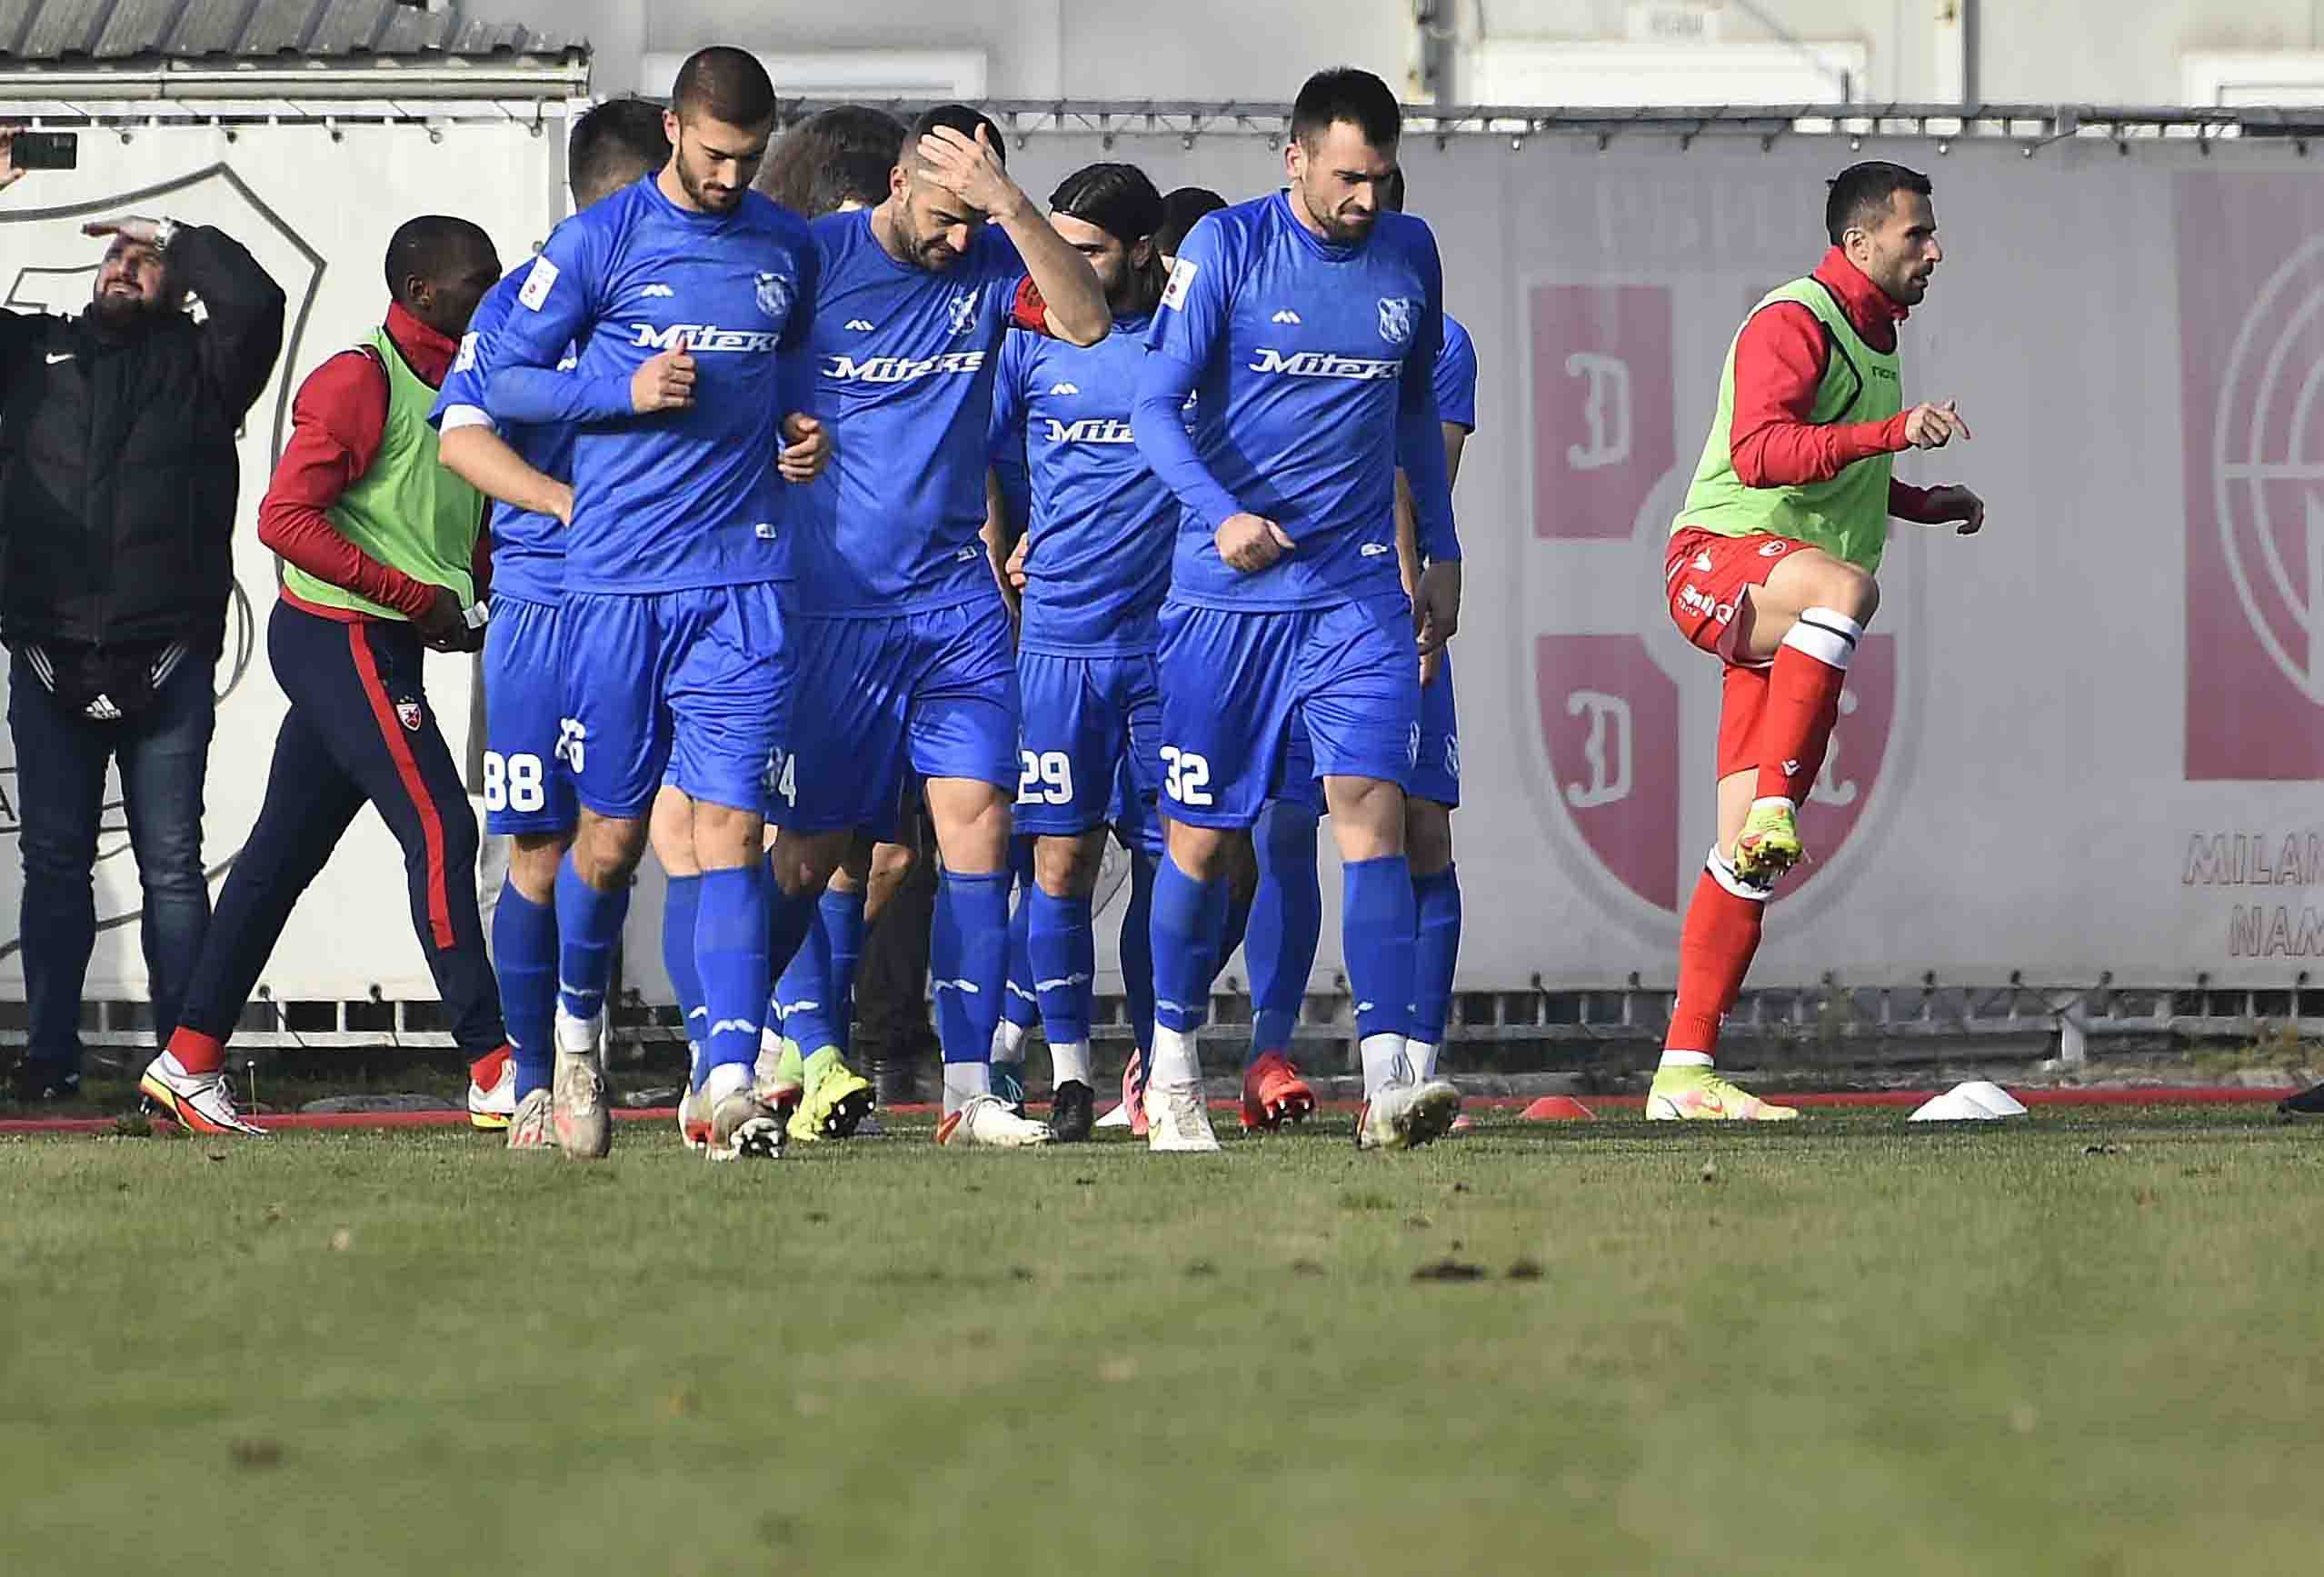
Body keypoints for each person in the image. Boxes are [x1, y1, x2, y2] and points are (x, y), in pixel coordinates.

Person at [481, 46, 827, 1162]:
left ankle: (727, 1081)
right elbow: (496, 388)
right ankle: (566, 1055)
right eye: (718, 154)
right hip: (617, 587)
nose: (733, 176)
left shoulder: (784, 244)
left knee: (730, 830)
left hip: (743, 582)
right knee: (610, 839)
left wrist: (799, 425)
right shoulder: (599, 243)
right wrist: (615, 391)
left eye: (751, 155)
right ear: (675, 130)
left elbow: (793, 367)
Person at [1132, 66, 1463, 1153]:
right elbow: (1152, 405)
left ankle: (1386, 1083)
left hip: (1358, 590)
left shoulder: (1408, 254)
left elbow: (1413, 405)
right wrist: (1220, 514)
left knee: (1369, 811)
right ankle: (1172, 1062)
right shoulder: (1226, 250)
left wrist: (1442, 549)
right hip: (1226, 603)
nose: (1366, 201)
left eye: (1379, 179)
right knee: (1201, 841)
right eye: (1346, 179)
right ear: (1294, 161)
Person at [768, 103, 1109, 1149]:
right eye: (946, 214)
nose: (958, 241)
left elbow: (1089, 319)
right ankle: (743, 1046)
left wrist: (1010, 205)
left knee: (978, 829)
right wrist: (771, 437)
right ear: (897, 184)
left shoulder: (993, 258)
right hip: (835, 606)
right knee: (819, 851)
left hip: (955, 603)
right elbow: (739, 366)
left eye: (977, 220)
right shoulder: (817, 257)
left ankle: (970, 1093)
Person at [137, 217, 504, 1135]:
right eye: (477, 280)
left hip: (384, 638)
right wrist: (415, 598)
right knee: (439, 824)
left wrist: (466, 600)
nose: (492, 293)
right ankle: (496, 1068)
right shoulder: (357, 379)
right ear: (422, 293)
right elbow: (284, 521)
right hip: (340, 635)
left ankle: (187, 1061)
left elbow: (456, 520)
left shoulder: (472, 379)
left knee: (275, 862)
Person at [1651, 161, 1983, 1121]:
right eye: (1916, 234)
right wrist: (1889, 436)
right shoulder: (1792, 319)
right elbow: (1759, 452)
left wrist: (1921, 499)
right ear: (1858, 242)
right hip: (1715, 560)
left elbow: (1835, 470)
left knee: (1741, 862)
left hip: (1782, 610)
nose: (1934, 250)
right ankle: (1769, 810)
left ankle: (1683, 1073)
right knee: (1847, 588)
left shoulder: (1876, 336)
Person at [0, 129, 286, 1105]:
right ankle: (49, 1059)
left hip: (164, 662)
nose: (127, 265)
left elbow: (259, 301)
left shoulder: (207, 368)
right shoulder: (35, 351)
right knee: (53, 865)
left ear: (175, 287)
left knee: (171, 866)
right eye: (117, 255)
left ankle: (185, 1061)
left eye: (147, 260)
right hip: (48, 656)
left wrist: (170, 226)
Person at [428, 98, 674, 1153]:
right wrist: (560, 499)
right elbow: (462, 439)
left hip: (666, 599)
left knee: (670, 841)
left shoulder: (684, 293)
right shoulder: (535, 299)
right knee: (537, 848)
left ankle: (689, 1061)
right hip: (547, 610)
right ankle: (535, 1083)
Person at [1230, 165, 1481, 1133]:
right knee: (1283, 824)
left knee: (1419, 828)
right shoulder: (1262, 297)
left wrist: (1416, 601)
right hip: (1273, 611)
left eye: (1381, 191)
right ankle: (1267, 1050)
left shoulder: (1435, 336)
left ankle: (1412, 1067)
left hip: (1381, 611)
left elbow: (1421, 479)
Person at [983, 161, 1175, 1143]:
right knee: (1056, 863)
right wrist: (1004, 545)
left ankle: (1159, 1065)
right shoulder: (1032, 347)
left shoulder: (1190, 340)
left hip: (1170, 650)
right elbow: (976, 458)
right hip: (1059, 643)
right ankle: (1064, 1074)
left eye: (1088, 251)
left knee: (1173, 866)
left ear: (1141, 252)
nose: (1065, 269)